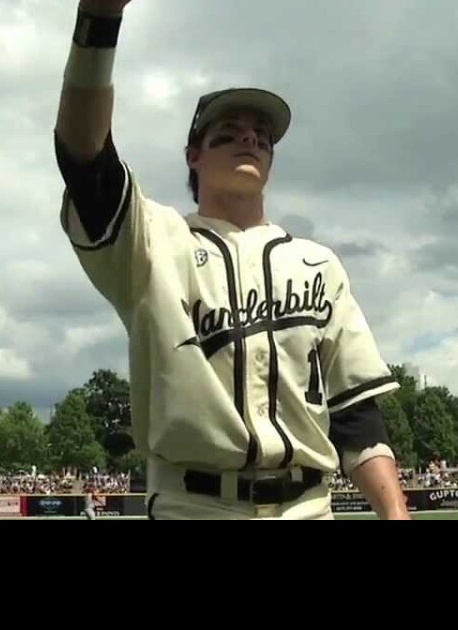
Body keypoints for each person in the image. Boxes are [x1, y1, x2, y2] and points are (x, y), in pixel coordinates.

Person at [54, 0, 409, 520]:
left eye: (261, 134)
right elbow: (83, 153)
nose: (250, 136)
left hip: (310, 508)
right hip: (193, 505)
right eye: (230, 128)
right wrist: (100, 20)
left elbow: (356, 416)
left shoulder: (318, 265)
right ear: (193, 155)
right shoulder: (151, 241)